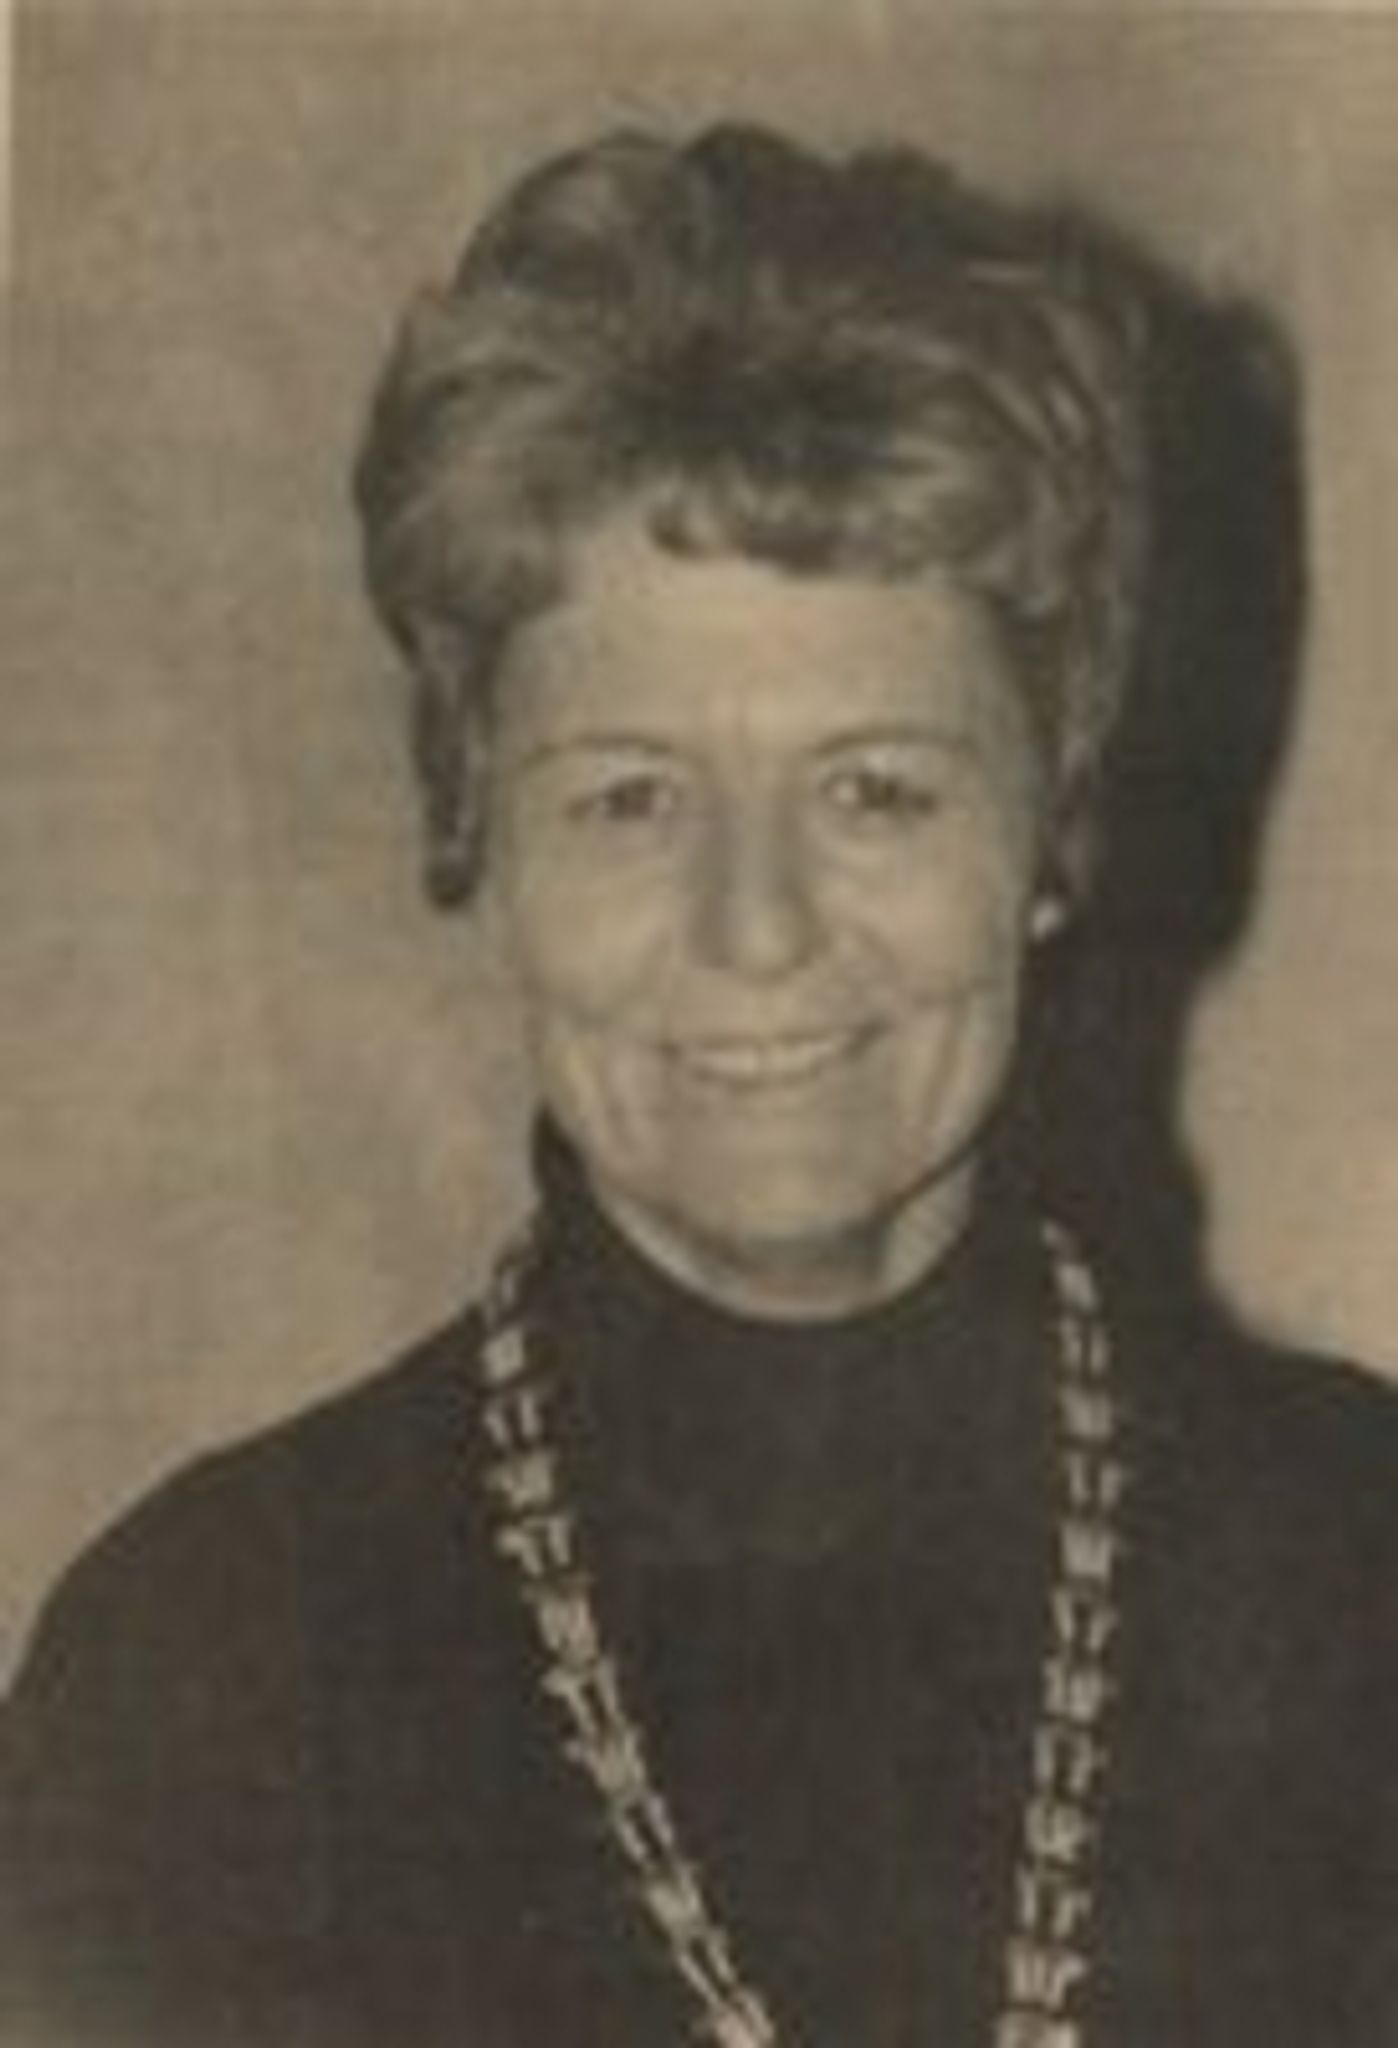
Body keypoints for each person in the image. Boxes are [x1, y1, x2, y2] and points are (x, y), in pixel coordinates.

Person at [3, 123, 1397, 2048]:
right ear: (475, 827)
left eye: (876, 789)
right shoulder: (207, 1671)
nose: (756, 931)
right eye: (630, 798)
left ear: (1052, 823)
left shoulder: (1359, 1570)